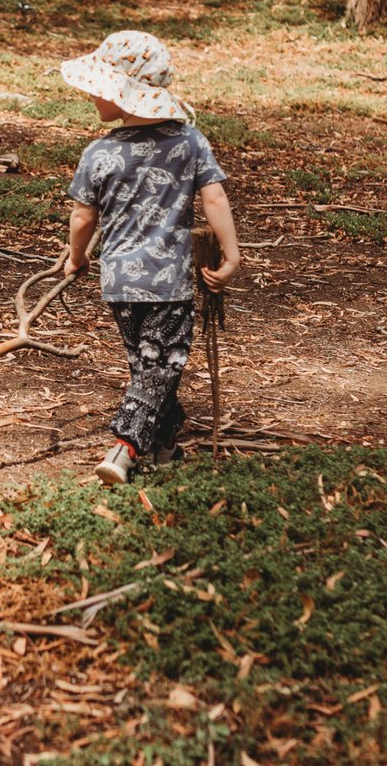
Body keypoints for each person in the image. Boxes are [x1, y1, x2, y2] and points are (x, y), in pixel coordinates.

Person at [61, 31, 241, 485]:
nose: (91, 96)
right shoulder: (188, 142)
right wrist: (232, 255)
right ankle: (124, 447)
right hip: (167, 281)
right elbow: (215, 198)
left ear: (124, 95)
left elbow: (83, 216)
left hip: (119, 281)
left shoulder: (99, 152)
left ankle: (163, 448)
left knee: (151, 365)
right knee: (161, 365)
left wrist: (76, 258)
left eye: (100, 88)